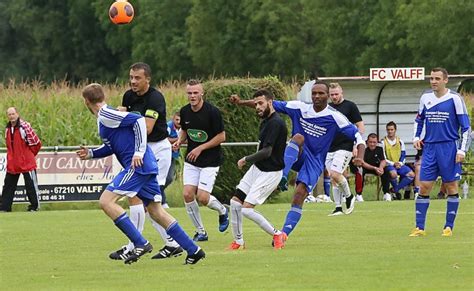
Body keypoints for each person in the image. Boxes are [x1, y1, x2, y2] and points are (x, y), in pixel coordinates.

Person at [77, 83, 205, 265]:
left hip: (138, 166)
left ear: (87, 101)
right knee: (156, 211)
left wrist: (138, 151)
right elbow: (112, 145)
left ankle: (140, 242)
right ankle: (194, 250)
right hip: (146, 165)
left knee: (106, 201)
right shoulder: (105, 116)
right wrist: (91, 153)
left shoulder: (106, 113)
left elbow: (138, 121)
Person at [267, 81, 365, 246]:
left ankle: (283, 234)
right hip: (300, 153)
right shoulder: (299, 107)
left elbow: (358, 136)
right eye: (314, 93)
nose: (316, 96)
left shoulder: (336, 115)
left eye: (321, 93)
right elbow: (269, 104)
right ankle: (282, 176)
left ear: (328, 96)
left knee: (299, 194)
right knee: (298, 138)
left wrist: (360, 155)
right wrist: (243, 102)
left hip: (317, 160)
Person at [112, 62, 183, 260]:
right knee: (143, 200)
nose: (133, 81)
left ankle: (138, 245)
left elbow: (148, 128)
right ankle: (169, 244)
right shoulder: (128, 95)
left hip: (157, 150)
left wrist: (124, 116)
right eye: (131, 77)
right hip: (140, 151)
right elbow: (121, 122)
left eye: (137, 78)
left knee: (145, 200)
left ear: (147, 80)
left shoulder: (155, 98)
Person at [410, 67, 471, 237]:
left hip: (449, 147)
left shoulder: (455, 99)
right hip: (429, 148)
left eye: (437, 78)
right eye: (431, 78)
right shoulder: (425, 98)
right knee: (424, 186)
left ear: (445, 80)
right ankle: (419, 228)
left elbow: (466, 128)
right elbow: (419, 120)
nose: (433, 82)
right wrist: (416, 137)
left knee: (451, 186)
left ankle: (448, 227)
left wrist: (461, 150)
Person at [227, 89, 288, 250]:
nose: (257, 107)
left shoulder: (276, 123)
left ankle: (277, 234)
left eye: (261, 103)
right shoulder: (266, 121)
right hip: (258, 169)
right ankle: (238, 242)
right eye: (255, 104)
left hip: (271, 172)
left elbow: (267, 152)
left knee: (246, 210)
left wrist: (246, 159)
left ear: (270, 102)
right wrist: (240, 102)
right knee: (234, 203)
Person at [173, 79, 229, 241]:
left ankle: (222, 211)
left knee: (203, 198)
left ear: (202, 93)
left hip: (210, 161)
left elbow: (221, 136)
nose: (192, 96)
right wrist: (179, 142)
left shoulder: (212, 112)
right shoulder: (184, 112)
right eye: (189, 93)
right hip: (192, 161)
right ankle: (201, 232)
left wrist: (200, 148)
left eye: (195, 92)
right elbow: (185, 130)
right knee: (188, 194)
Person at [325, 82, 365, 215]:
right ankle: (338, 207)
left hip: (345, 146)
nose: (334, 97)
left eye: (336, 94)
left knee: (336, 173)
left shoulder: (350, 106)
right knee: (333, 177)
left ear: (342, 93)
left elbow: (361, 127)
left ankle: (349, 196)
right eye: (332, 95)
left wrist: (356, 144)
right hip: (330, 147)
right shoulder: (327, 108)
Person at [1, 107, 42, 212]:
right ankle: (5, 208)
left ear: (17, 114)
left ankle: (34, 206)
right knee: (8, 187)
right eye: (9, 114)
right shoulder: (7, 129)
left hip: (26, 162)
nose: (11, 116)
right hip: (13, 163)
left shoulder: (25, 128)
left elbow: (36, 144)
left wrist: (28, 156)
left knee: (31, 186)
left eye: (13, 114)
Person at [380, 121, 415, 201]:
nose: (390, 131)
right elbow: (383, 157)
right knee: (393, 174)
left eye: (392, 129)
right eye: (388, 130)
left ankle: (394, 190)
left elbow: (403, 155)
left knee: (411, 175)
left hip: (399, 165)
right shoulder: (383, 142)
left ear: (395, 130)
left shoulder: (400, 141)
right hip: (389, 165)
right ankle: (396, 191)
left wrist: (400, 163)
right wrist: (393, 163)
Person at [164, 111, 181, 189]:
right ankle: (159, 196)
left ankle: (158, 195)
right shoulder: (169, 126)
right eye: (177, 120)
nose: (178, 122)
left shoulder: (184, 127)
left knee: (169, 178)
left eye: (180, 120)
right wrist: (179, 139)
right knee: (165, 177)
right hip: (164, 154)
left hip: (173, 155)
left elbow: (188, 139)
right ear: (173, 119)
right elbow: (164, 138)